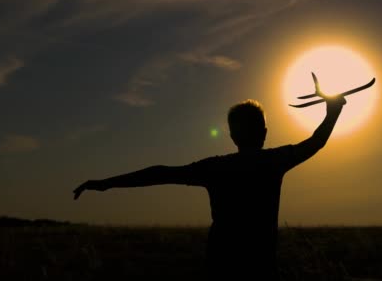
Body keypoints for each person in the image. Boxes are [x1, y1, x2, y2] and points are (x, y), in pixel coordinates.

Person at [74, 89, 346, 280]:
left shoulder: (215, 167)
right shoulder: (273, 162)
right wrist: (333, 112)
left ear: (231, 135)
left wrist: (107, 184)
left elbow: (161, 173)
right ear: (264, 133)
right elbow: (316, 141)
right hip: (259, 268)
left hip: (221, 265)